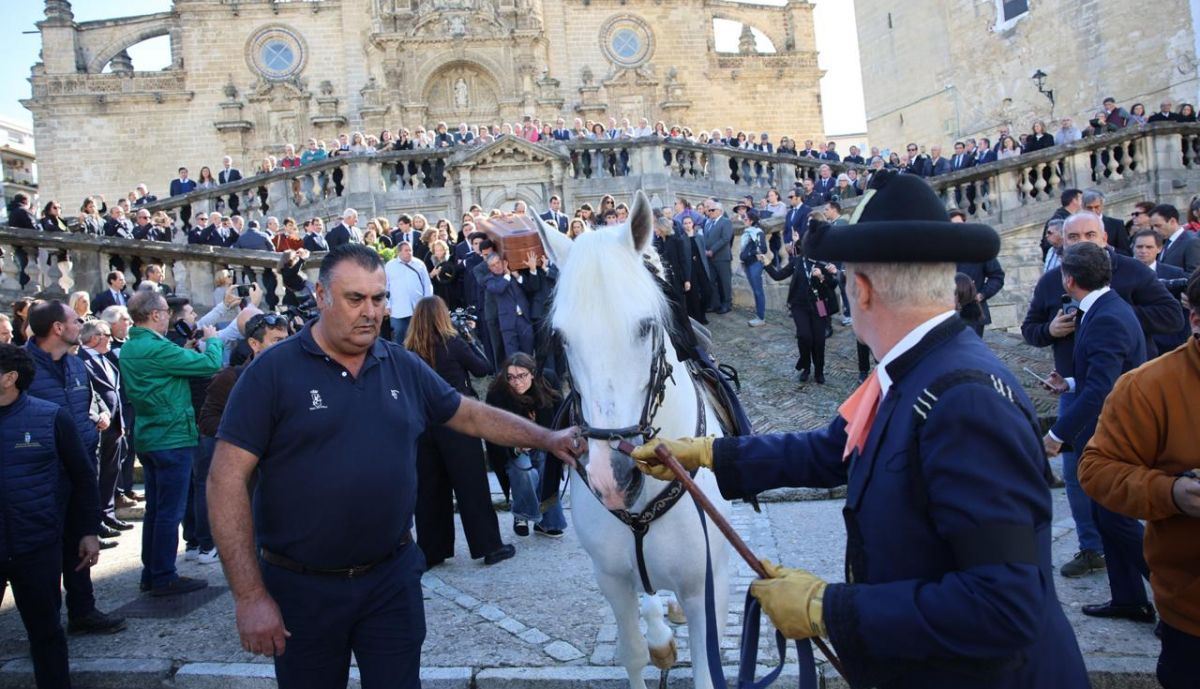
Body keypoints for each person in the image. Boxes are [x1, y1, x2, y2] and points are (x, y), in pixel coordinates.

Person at [635, 171, 1087, 688]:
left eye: (848, 279)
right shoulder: (913, 368)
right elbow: (831, 450)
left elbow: (1004, 605)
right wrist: (710, 454)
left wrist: (829, 609)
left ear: (863, 289)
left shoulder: (966, 399)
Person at [206, 244, 580, 689]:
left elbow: (469, 413)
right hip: (302, 590)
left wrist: (547, 438)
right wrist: (249, 597)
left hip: (391, 582)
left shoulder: (400, 363)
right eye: (355, 299)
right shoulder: (272, 372)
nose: (371, 312)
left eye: (379, 298)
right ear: (322, 297)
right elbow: (224, 480)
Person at [1022, 213, 1182, 576]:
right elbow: (1031, 329)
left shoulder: (1120, 293)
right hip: (1082, 387)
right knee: (1087, 488)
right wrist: (1051, 332)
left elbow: (1170, 318)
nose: (1081, 241)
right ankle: (1107, 570)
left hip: (1117, 400)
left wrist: (1056, 434)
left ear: (1105, 237)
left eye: (1089, 234)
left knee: (1117, 499)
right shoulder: (1057, 284)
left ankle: (1164, 582)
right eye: (1073, 235)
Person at [1079, 271, 1200, 689]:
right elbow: (1096, 469)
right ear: (1196, 320)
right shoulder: (1149, 386)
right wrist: (1171, 492)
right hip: (1193, 614)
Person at [1042, 242, 1154, 626]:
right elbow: (1102, 375)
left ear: (1069, 280)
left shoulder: (1105, 316)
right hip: (1111, 429)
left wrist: (1057, 433)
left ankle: (1175, 595)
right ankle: (1129, 599)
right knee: (1108, 519)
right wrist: (1068, 383)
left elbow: (1102, 389)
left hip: (1117, 436)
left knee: (1117, 520)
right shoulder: (1104, 308)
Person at [0, 343, 104, 689]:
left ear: (9, 378)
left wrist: (88, 530)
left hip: (36, 545)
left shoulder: (49, 417)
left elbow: (83, 476)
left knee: (46, 634)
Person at [118, 290, 223, 596]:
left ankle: (151, 572)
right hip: (172, 436)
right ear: (154, 315)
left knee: (155, 510)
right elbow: (209, 364)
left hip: (150, 435)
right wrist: (213, 339)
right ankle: (164, 575)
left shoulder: (132, 346)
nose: (170, 316)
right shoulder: (156, 348)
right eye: (165, 311)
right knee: (169, 512)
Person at [404, 297, 512, 567]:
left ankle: (432, 551)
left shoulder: (408, 350)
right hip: (457, 420)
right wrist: (471, 336)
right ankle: (489, 546)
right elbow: (484, 368)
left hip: (424, 424)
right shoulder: (453, 344)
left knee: (430, 490)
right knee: (471, 485)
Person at [195, 312, 291, 566]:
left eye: (286, 339)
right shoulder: (232, 378)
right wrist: (249, 436)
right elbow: (206, 421)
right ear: (254, 344)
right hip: (254, 482)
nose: (284, 346)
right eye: (276, 340)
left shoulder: (298, 377)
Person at [485, 352, 568, 538]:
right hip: (512, 446)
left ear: (532, 373)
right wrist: (515, 447)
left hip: (544, 442)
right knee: (524, 470)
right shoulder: (497, 393)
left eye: (521, 375)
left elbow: (561, 415)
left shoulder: (548, 380)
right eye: (511, 377)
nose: (517, 382)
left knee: (547, 469)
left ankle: (548, 522)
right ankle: (523, 515)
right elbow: (491, 432)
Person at [78, 320, 133, 536]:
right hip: (97, 426)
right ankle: (96, 521)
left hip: (115, 423)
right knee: (97, 474)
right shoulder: (80, 360)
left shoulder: (106, 359)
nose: (110, 338)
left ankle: (108, 515)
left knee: (111, 472)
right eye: (106, 335)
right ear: (94, 338)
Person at [766, 230, 836, 384]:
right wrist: (767, 264)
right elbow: (778, 276)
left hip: (820, 305)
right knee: (805, 336)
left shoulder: (823, 263)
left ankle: (819, 370)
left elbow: (833, 284)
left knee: (819, 339)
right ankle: (805, 366)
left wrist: (822, 276)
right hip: (799, 305)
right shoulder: (797, 262)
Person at [1130, 229, 1192, 355]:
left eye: (1149, 247)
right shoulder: (1123, 273)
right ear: (1133, 248)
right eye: (1139, 247)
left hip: (1170, 343)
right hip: (1136, 340)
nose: (1143, 251)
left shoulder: (1176, 274)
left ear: (1159, 249)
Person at [484, 252, 538, 357]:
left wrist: (517, 276)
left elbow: (529, 288)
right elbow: (498, 289)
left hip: (524, 319)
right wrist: (507, 276)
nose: (496, 267)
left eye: (498, 263)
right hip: (508, 323)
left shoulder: (514, 273)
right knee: (513, 356)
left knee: (528, 353)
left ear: (503, 262)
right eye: (493, 265)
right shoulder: (489, 279)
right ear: (489, 268)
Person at [385, 241, 433, 345]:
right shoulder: (390, 266)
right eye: (406, 250)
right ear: (399, 252)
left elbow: (427, 284)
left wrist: (428, 303)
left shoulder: (419, 264)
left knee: (420, 335)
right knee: (399, 334)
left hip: (418, 307)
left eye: (410, 250)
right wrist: (387, 304)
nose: (409, 252)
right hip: (398, 309)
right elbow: (385, 287)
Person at [954, 251, 1005, 337]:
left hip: (971, 312)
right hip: (939, 311)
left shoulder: (979, 250)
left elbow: (997, 277)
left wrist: (981, 294)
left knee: (971, 348)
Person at [739, 209, 769, 327]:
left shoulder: (757, 232)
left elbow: (763, 249)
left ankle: (761, 317)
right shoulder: (747, 232)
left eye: (745, 219)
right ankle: (759, 315)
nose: (744, 220)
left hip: (755, 264)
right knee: (755, 290)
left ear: (751, 221)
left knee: (758, 291)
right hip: (748, 263)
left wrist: (751, 253)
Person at [680, 214, 711, 325]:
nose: (688, 225)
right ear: (683, 225)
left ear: (693, 224)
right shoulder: (682, 239)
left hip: (701, 267)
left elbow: (703, 253)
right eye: (685, 223)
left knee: (706, 292)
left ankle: (702, 313)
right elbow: (683, 258)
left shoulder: (699, 237)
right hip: (690, 270)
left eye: (689, 223)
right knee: (693, 295)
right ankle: (697, 318)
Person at [1152, 203, 1200, 275]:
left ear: (1172, 221)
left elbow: (1194, 276)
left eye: (1158, 226)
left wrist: (1170, 282)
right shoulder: (1166, 241)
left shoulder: (1191, 242)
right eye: (1153, 226)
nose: (1154, 230)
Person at [703, 201, 733, 313]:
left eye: (712, 210)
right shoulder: (708, 222)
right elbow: (706, 238)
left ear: (720, 211)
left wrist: (712, 250)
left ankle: (727, 304)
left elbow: (725, 238)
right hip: (709, 258)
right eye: (708, 210)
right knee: (711, 281)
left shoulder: (725, 222)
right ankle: (715, 304)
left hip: (722, 257)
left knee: (725, 282)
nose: (709, 212)